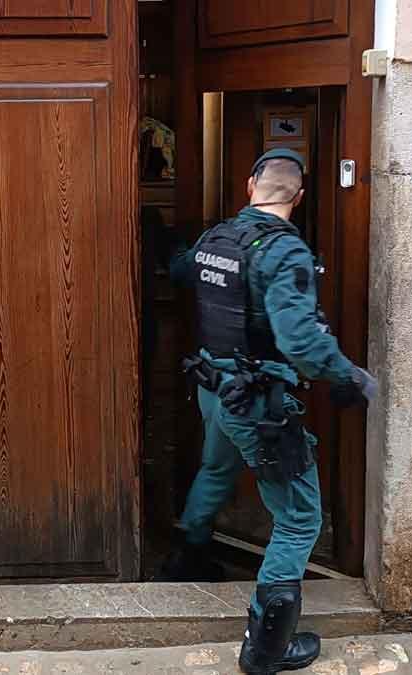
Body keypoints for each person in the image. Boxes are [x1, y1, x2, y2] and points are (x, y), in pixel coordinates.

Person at [158, 148, 377, 674]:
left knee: (217, 467)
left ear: (248, 184)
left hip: (213, 388)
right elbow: (299, 341)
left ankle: (188, 557)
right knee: (301, 518)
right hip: (257, 402)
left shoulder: (218, 239)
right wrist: (348, 376)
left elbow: (181, 268)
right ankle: (266, 648)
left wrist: (158, 235)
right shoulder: (284, 251)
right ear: (298, 198)